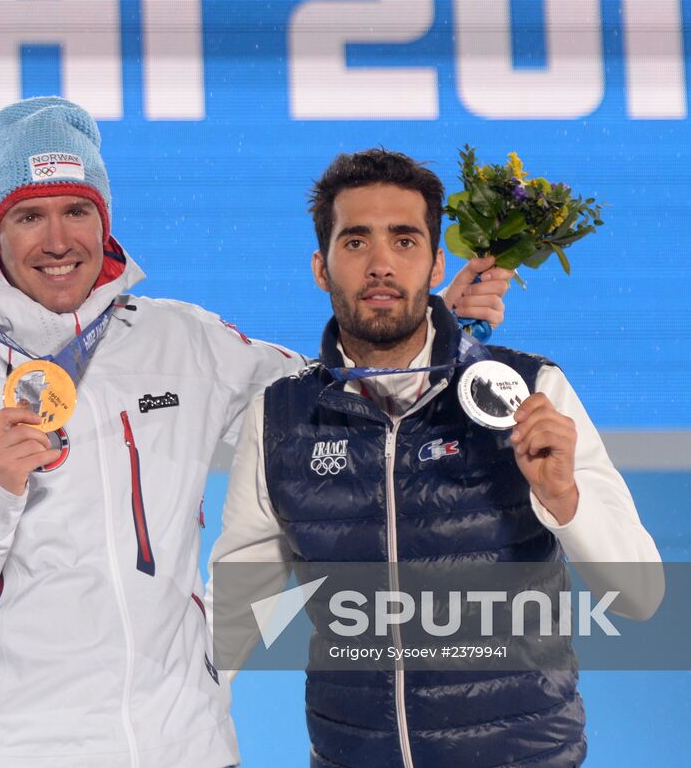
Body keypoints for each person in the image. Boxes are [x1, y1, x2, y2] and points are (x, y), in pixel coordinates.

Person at [0, 98, 509, 767]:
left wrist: (431, 328)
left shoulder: (181, 341)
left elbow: (339, 403)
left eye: (77, 211)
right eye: (29, 216)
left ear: (104, 221)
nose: (58, 242)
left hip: (185, 745)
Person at [207, 149, 665, 767]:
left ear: (436, 261)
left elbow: (640, 592)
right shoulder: (283, 419)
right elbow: (232, 617)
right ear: (322, 267)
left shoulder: (530, 392)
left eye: (404, 240)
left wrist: (565, 502)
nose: (380, 264)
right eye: (355, 242)